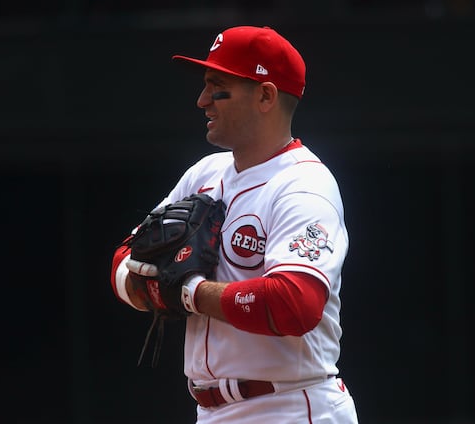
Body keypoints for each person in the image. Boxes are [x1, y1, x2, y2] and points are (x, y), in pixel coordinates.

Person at [110, 25, 359, 424]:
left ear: (265, 95)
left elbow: (293, 304)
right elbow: (124, 262)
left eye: (217, 86)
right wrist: (155, 287)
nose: (202, 100)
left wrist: (188, 292)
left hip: (290, 407)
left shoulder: (304, 185)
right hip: (212, 411)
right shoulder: (205, 174)